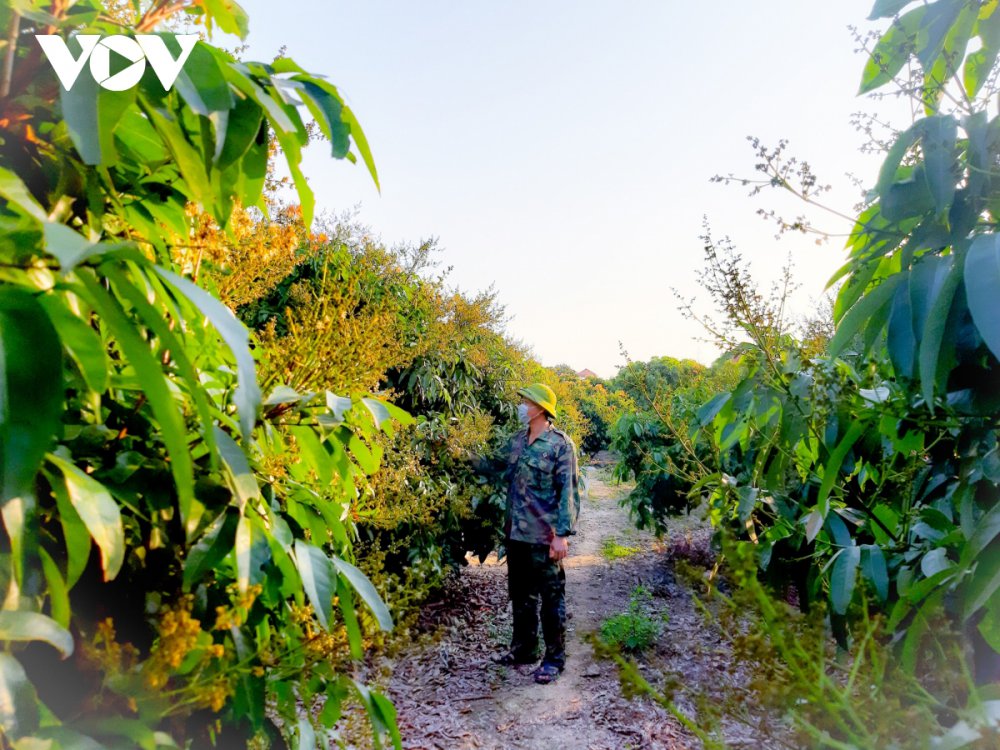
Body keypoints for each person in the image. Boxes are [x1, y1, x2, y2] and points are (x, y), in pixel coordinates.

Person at [492, 383, 581, 685]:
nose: (521, 406)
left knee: (551, 599)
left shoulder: (560, 445)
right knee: (521, 596)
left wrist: (562, 535)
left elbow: (568, 492)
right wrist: (457, 453)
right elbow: (495, 467)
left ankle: (554, 659)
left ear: (540, 408)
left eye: (526, 402)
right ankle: (524, 650)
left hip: (544, 537)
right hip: (517, 534)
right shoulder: (517, 440)